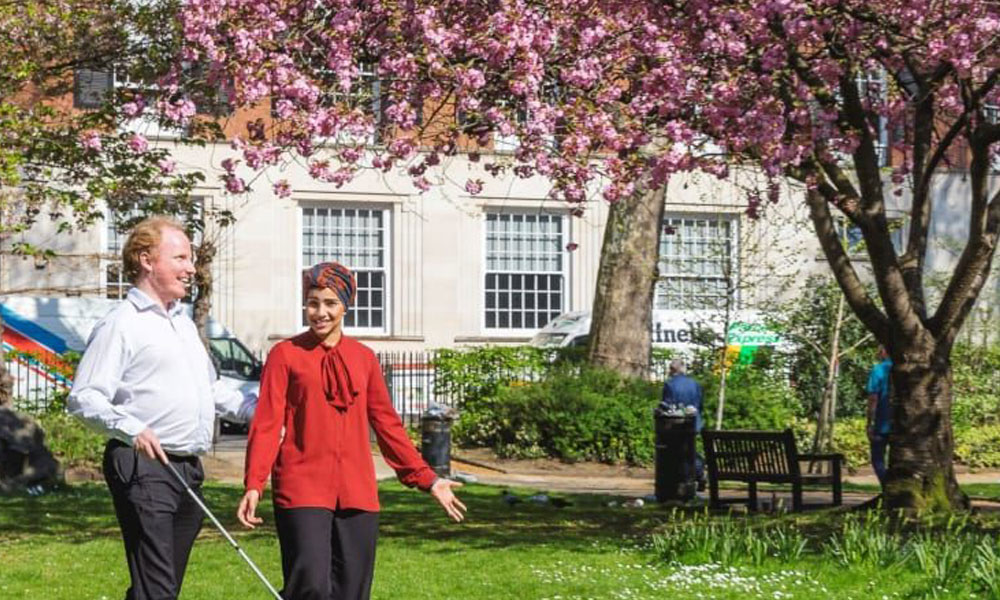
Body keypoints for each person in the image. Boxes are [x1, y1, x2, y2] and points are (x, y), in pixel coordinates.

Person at [237, 261, 466, 600]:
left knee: (352, 591)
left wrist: (428, 479)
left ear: (346, 305)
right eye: (313, 303)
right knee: (310, 586)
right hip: (301, 487)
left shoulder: (364, 359)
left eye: (330, 303)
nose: (320, 312)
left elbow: (388, 426)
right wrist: (255, 483)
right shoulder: (285, 355)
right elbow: (267, 424)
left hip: (357, 491)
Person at [68, 216, 258, 600]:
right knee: (158, 588)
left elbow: (211, 390)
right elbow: (84, 397)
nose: (192, 269)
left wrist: (265, 410)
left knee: (158, 586)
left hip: (188, 469)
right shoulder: (121, 324)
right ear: (146, 260)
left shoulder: (183, 324)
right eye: (181, 258)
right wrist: (132, 428)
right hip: (144, 466)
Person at [659, 359, 705, 488]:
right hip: (693, 422)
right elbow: (700, 405)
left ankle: (684, 477)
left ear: (673, 370)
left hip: (675, 424)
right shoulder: (695, 384)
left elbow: (667, 406)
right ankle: (697, 473)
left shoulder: (670, 384)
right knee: (690, 449)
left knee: (676, 451)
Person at [866, 346, 893, 486]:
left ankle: (886, 486)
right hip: (902, 425)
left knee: (877, 459)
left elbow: (873, 398)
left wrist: (869, 422)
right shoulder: (905, 369)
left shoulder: (878, 370)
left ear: (884, 351)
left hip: (881, 423)